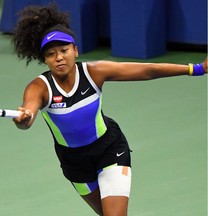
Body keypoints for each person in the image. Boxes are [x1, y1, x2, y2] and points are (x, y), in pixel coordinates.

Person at [11, 4, 207, 216]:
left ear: (75, 51)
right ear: (45, 59)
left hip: (109, 149)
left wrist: (196, 69)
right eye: (51, 54)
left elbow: (146, 70)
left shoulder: (94, 72)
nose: (58, 57)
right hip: (74, 162)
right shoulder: (39, 87)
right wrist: (25, 118)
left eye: (64, 50)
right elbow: (29, 111)